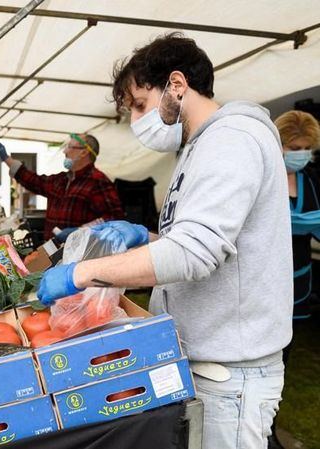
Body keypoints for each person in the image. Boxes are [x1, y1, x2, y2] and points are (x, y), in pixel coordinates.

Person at [36, 33, 292, 449]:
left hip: (229, 372)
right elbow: (201, 241)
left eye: (140, 104)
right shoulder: (198, 147)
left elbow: (193, 253)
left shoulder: (231, 140)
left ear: (176, 85)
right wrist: (145, 237)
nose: (138, 120)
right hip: (202, 361)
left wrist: (83, 273)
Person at [269, 110, 320, 449]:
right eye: (293, 146)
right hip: (264, 281)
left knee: (283, 357)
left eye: (306, 147)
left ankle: (269, 420)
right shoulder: (264, 173)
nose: (300, 153)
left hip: (297, 281)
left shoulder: (311, 181)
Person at [0, 134, 125, 239]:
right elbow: (34, 181)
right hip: (52, 251)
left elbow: (115, 219)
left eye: (70, 147)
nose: (65, 151)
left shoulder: (98, 181)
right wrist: (6, 158)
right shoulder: (61, 180)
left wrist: (81, 230)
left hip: (79, 257)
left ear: (84, 152)